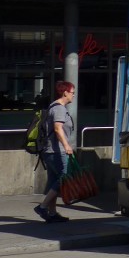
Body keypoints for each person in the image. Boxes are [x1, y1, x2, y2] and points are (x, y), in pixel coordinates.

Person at [35, 81, 75, 223]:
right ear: (65, 93)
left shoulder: (55, 106)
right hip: (56, 150)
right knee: (64, 177)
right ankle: (43, 206)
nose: (73, 95)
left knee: (53, 180)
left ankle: (52, 213)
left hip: (50, 150)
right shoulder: (59, 109)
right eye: (72, 92)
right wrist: (66, 146)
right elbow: (58, 129)